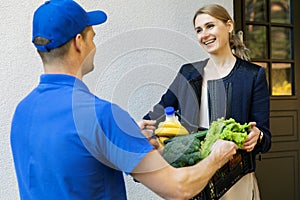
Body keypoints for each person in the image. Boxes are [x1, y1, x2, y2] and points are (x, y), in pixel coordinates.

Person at [10, 1, 238, 199]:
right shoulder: (101, 114)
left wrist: (121, 134)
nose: (94, 46)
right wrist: (218, 156)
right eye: (92, 37)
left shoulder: (22, 111)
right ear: (79, 42)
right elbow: (179, 188)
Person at [144, 4, 272, 200]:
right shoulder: (188, 73)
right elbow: (155, 116)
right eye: (198, 30)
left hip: (235, 181)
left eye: (210, 26)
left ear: (228, 26)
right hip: (194, 177)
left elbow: (265, 136)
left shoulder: (252, 75)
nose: (204, 34)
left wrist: (258, 136)